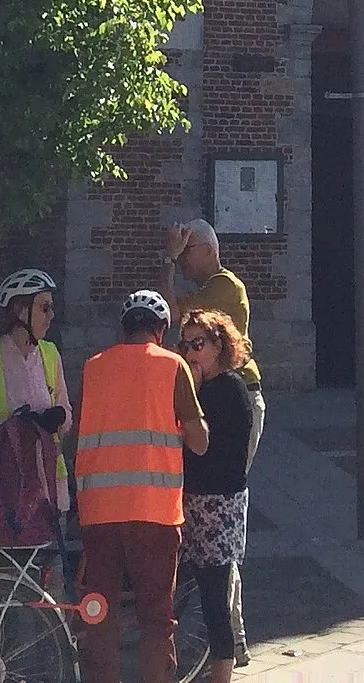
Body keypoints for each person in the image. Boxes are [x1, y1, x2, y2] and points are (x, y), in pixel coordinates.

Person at [73, 289, 209, 683]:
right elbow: (199, 442)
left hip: (99, 512)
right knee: (156, 618)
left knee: (99, 613)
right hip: (154, 514)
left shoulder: (93, 367)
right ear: (161, 330)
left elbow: (76, 436)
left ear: (123, 327)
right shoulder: (173, 366)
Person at [177, 311, 262, 683]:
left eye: (200, 344)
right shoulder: (211, 387)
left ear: (218, 346)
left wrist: (190, 390)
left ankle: (222, 675)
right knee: (207, 592)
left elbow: (202, 446)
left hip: (216, 506)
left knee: (214, 598)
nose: (192, 352)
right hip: (202, 501)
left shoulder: (225, 389)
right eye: (186, 345)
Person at [0, 268, 73, 521]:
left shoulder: (50, 354)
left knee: (48, 561)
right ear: (22, 311)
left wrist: (58, 416)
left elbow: (67, 418)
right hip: (1, 491)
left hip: (47, 486)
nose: (51, 316)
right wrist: (17, 425)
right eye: (44, 308)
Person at [162, 221, 261, 391]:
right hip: (222, 385)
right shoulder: (211, 287)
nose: (181, 258)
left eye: (186, 249)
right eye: (180, 251)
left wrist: (169, 258)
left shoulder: (225, 284)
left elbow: (169, 312)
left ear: (208, 250)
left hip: (237, 386)